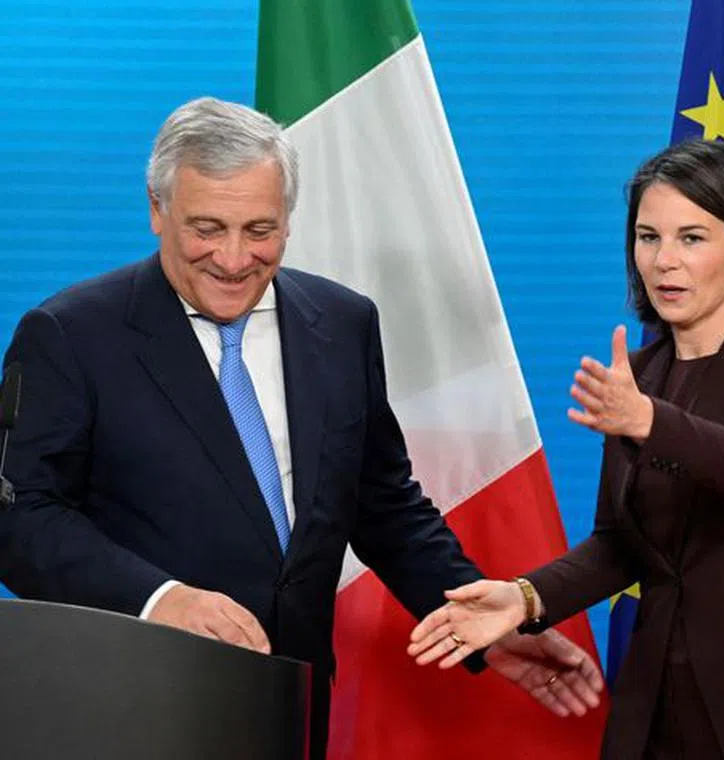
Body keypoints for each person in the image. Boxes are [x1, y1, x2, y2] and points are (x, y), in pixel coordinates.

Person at [0, 97, 603, 759]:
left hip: (293, 709)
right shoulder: (71, 335)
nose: (234, 259)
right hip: (132, 705)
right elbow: (21, 518)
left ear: (289, 217)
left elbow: (382, 504)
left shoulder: (343, 323)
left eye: (260, 229)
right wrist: (158, 600)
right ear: (157, 209)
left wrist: (477, 625)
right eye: (208, 227)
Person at [409, 139, 724, 759]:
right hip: (658, 693)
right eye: (648, 237)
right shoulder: (638, 374)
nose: (664, 262)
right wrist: (523, 598)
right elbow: (620, 544)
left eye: (691, 238)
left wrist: (647, 419)